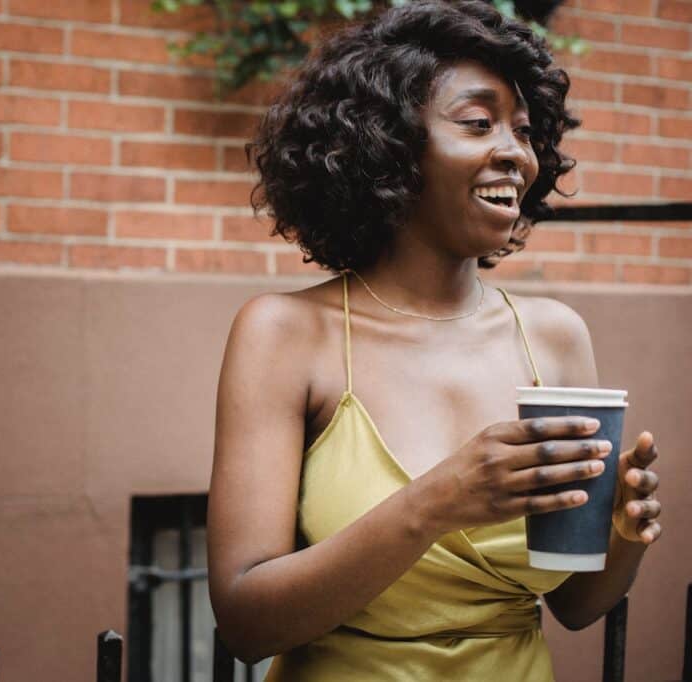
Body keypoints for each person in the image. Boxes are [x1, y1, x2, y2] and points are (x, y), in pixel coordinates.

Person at [206, 2, 663, 680]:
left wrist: (622, 534)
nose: (514, 153)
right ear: (386, 144)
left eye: (525, 131)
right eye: (478, 124)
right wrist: (434, 505)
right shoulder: (286, 335)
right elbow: (245, 622)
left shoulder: (555, 337)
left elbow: (574, 604)